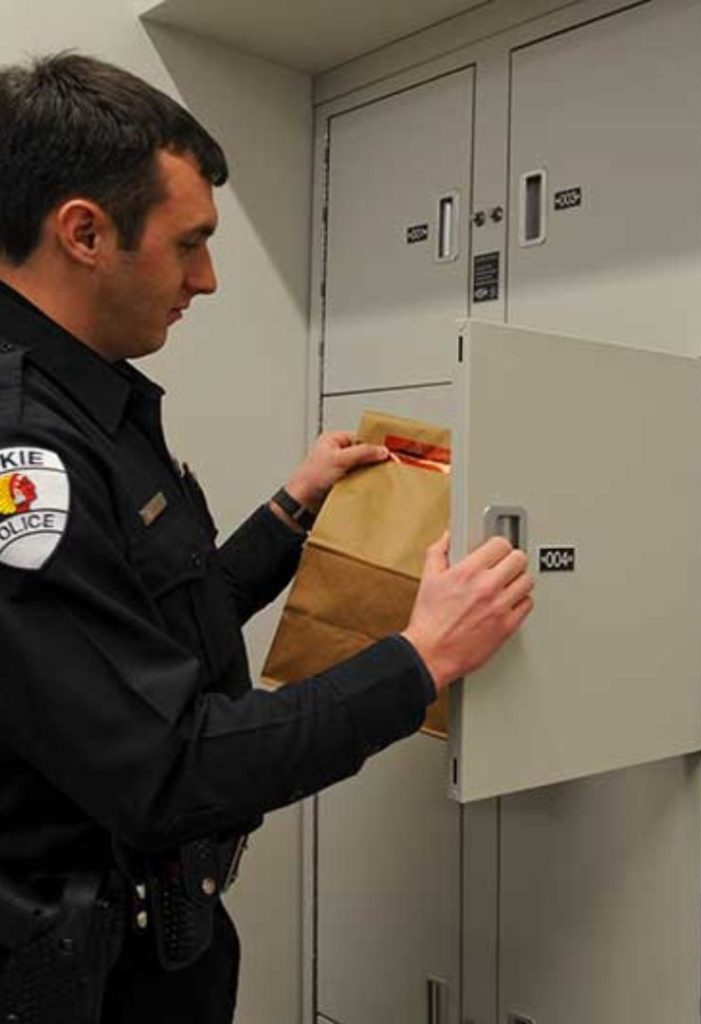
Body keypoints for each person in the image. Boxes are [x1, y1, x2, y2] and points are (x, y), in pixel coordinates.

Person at [0, 52, 534, 1023]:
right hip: (77, 982)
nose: (205, 279)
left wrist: (291, 513)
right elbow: (169, 766)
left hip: (157, 937)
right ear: (83, 231)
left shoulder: (88, 401)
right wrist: (419, 658)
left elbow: (142, 623)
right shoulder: (23, 449)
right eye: (189, 243)